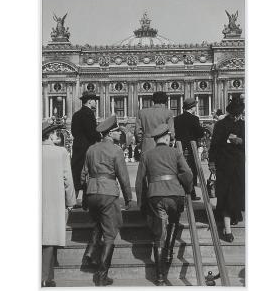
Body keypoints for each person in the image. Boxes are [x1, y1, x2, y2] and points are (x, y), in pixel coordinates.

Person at [135, 124, 193, 286]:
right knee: (174, 220)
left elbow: (140, 181)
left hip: (155, 195)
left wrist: (141, 202)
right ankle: (169, 252)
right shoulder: (175, 152)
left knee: (158, 236)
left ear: (155, 140)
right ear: (167, 138)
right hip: (175, 194)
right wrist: (187, 189)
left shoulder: (147, 155)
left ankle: (159, 277)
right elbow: (187, 173)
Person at [80, 115, 133, 286]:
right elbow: (123, 177)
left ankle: (89, 254)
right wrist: (128, 197)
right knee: (110, 233)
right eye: (118, 131)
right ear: (110, 133)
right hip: (108, 191)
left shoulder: (91, 149)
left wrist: (85, 195)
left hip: (92, 191)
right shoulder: (116, 150)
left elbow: (83, 175)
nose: (120, 134)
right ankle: (102, 276)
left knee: (98, 224)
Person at [42, 120, 76, 287]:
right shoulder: (61, 152)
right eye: (55, 133)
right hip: (54, 200)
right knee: (49, 237)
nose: (57, 135)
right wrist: (71, 201)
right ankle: (46, 277)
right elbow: (67, 180)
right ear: (49, 135)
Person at [208, 98, 245, 243]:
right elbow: (215, 145)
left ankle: (232, 215)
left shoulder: (243, 125)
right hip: (225, 164)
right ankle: (227, 228)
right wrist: (211, 162)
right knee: (227, 193)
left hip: (237, 165)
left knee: (234, 193)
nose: (237, 117)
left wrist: (241, 141)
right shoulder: (221, 125)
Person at [71, 90, 101, 202]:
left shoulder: (76, 114)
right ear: (89, 101)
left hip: (77, 147)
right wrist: (100, 136)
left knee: (76, 173)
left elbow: (73, 132)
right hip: (87, 148)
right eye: (94, 101)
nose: (95, 103)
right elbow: (91, 133)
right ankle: (86, 202)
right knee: (88, 173)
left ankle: (72, 200)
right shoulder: (88, 114)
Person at [174, 98, 204, 200]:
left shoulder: (177, 119)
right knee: (191, 170)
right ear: (192, 107)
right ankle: (191, 193)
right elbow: (200, 133)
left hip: (179, 148)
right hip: (191, 149)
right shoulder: (194, 119)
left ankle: (180, 193)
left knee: (180, 169)